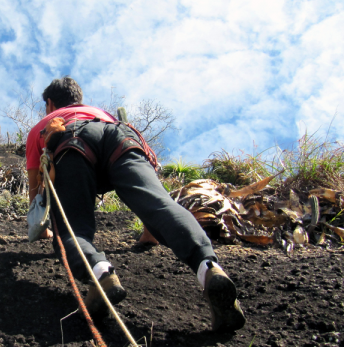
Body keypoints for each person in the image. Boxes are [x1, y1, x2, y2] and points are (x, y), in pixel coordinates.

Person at [26, 76, 246, 332]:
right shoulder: (103, 113)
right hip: (122, 138)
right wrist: (149, 231)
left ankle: (102, 274)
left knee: (71, 230)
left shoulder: (43, 125)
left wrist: (40, 228)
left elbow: (35, 189)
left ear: (50, 104)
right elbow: (148, 195)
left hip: (73, 142)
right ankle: (209, 268)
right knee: (161, 205)